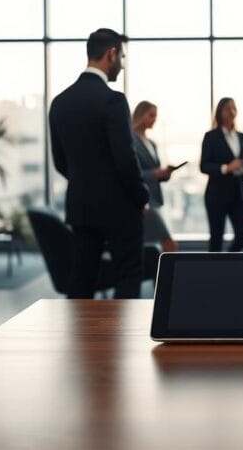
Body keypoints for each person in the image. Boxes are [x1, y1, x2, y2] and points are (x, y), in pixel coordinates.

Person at [48, 28, 149, 299]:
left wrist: (86, 182)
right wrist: (142, 197)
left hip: (81, 207)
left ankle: (83, 340)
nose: (122, 65)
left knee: (81, 280)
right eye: (122, 57)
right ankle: (120, 340)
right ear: (111, 53)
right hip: (120, 209)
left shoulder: (59, 103)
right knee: (128, 274)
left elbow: (60, 162)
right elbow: (126, 160)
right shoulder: (113, 100)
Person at [200, 98, 243, 252]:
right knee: (216, 238)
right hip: (217, 195)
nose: (231, 112)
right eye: (227, 108)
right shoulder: (211, 137)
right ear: (219, 113)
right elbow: (204, 166)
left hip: (239, 194)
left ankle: (227, 264)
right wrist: (226, 168)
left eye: (234, 108)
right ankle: (214, 273)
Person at [132, 101, 179, 253]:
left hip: (155, 198)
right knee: (168, 243)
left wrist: (165, 174)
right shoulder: (131, 141)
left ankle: (158, 276)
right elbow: (131, 172)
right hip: (144, 200)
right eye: (151, 115)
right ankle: (174, 275)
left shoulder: (152, 143)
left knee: (155, 244)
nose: (154, 119)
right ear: (140, 115)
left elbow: (156, 172)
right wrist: (154, 174)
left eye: (155, 116)